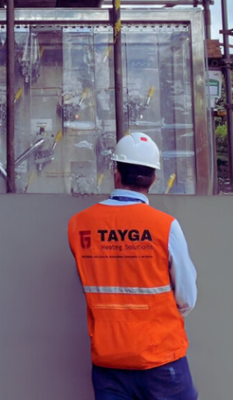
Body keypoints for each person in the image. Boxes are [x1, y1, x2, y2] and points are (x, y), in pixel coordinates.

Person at [67, 132, 199, 400]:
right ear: (153, 178)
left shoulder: (79, 225)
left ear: (116, 173)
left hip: (109, 363)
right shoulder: (165, 227)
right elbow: (187, 297)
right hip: (161, 359)